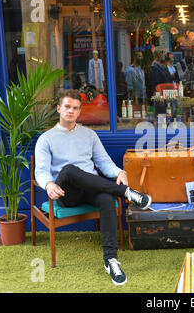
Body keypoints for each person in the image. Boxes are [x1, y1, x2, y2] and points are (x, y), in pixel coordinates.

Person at [34, 90, 152, 286]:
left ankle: (111, 260)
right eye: (67, 107)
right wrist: (48, 184)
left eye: (75, 108)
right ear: (59, 109)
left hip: (90, 189)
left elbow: (104, 162)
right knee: (70, 170)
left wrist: (118, 173)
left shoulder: (89, 135)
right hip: (65, 192)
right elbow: (41, 170)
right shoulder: (46, 138)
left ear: (80, 111)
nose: (71, 111)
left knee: (106, 200)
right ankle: (126, 193)